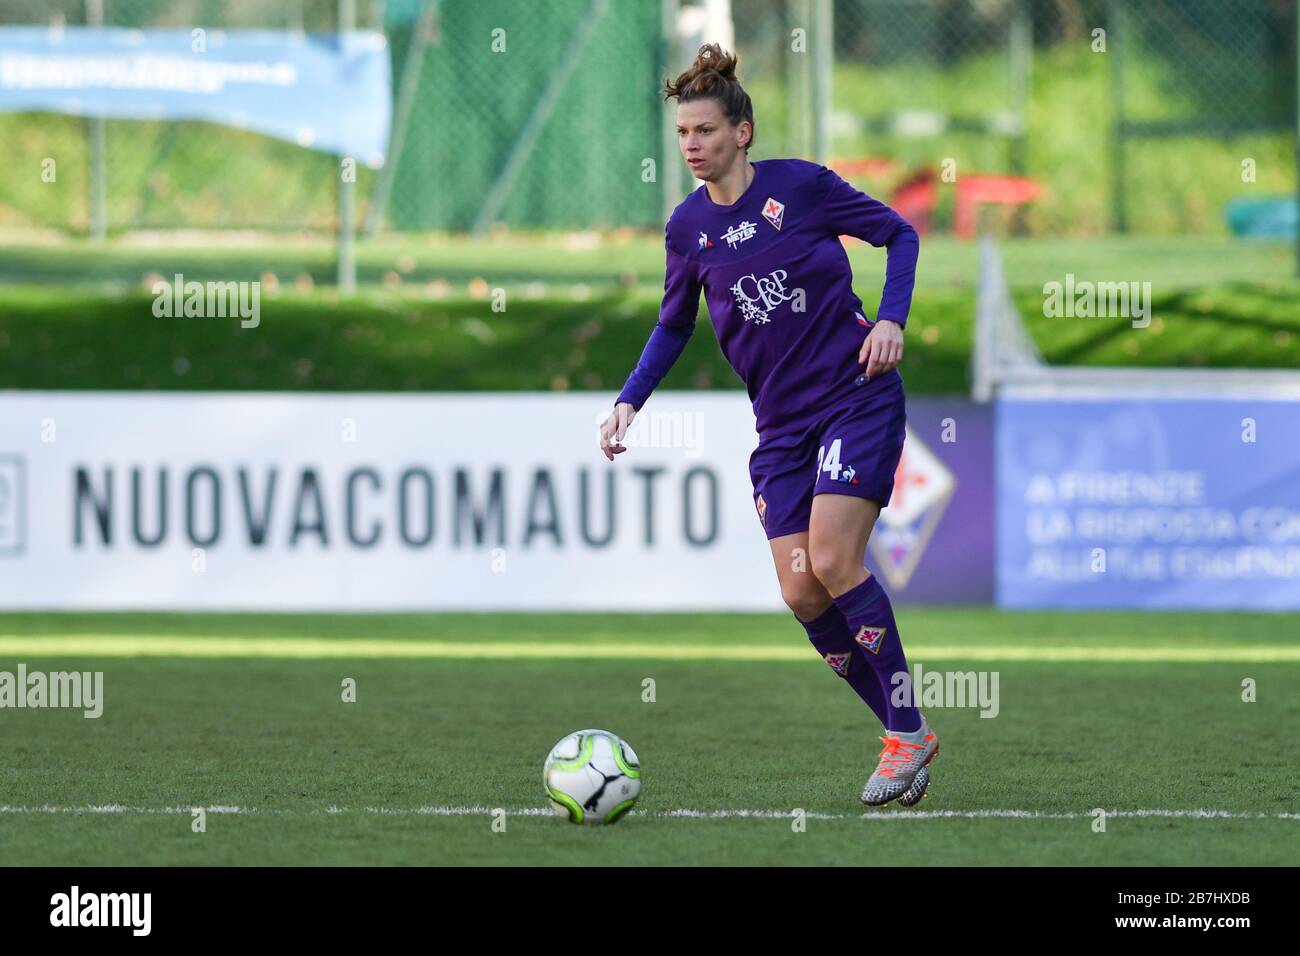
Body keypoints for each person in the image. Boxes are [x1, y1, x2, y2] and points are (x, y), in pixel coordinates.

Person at [599, 43, 938, 807]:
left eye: (705, 132)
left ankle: (906, 733)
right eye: (683, 134)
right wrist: (629, 400)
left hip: (857, 395)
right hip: (780, 429)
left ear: (741, 133)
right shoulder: (688, 228)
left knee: (831, 558)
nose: (691, 145)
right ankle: (904, 729)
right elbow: (672, 325)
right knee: (801, 593)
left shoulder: (804, 188)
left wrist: (891, 319)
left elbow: (900, 235)